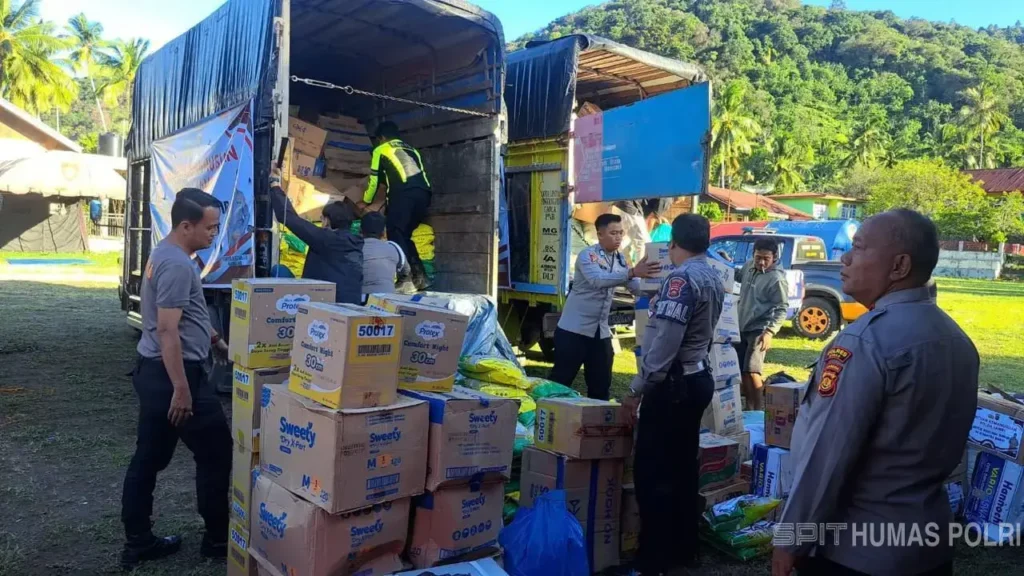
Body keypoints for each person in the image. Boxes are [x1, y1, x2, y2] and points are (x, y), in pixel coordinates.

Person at [772, 210, 979, 576]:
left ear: (898, 266)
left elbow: (827, 453)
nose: (845, 258)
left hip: (856, 552)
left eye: (859, 247)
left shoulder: (864, 340)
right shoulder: (955, 338)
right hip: (927, 544)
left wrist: (791, 539)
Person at [120, 188, 232, 570]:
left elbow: (188, 313)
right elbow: (168, 330)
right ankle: (218, 540)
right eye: (210, 228)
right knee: (216, 453)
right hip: (175, 378)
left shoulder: (171, 254)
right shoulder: (178, 264)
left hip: (157, 373)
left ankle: (139, 542)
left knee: (149, 458)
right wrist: (182, 389)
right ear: (187, 225)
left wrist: (215, 340)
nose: (214, 234)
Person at [624, 213, 724, 575]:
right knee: (683, 467)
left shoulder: (680, 279)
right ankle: (685, 548)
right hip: (697, 378)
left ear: (673, 243)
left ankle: (653, 559)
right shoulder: (713, 275)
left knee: (652, 471)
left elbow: (665, 343)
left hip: (673, 386)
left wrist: (637, 390)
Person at [549, 213, 660, 400]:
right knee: (560, 382)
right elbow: (597, 280)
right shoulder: (587, 256)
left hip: (600, 332)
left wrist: (657, 287)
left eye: (621, 233)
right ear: (600, 235)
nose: (619, 237)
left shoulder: (620, 260)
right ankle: (547, 419)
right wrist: (632, 272)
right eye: (613, 233)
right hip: (573, 330)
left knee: (601, 385)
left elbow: (635, 287)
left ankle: (598, 424)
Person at [269, 167, 363, 304]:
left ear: (328, 221)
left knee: (279, 271)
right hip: (351, 303)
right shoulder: (357, 241)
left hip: (325, 304)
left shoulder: (326, 239)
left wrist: (275, 185)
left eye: (323, 218)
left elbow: (289, 218)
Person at [358, 121, 432, 290]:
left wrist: (367, 200)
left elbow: (374, 179)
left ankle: (405, 279)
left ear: (382, 138)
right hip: (424, 195)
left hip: (403, 195)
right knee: (404, 235)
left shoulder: (380, 150)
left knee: (394, 232)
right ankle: (420, 277)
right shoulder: (412, 150)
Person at [734, 237, 788, 410]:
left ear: (775, 258)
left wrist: (770, 332)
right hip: (742, 325)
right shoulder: (749, 265)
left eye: (766, 258)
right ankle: (749, 406)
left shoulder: (776, 279)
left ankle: (758, 408)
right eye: (758, 257)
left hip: (760, 328)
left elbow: (782, 308)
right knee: (742, 371)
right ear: (753, 254)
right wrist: (723, 263)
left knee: (752, 369)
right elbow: (738, 276)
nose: (761, 262)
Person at [360, 211, 411, 302]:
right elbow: (406, 271)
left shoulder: (353, 248)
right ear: (384, 231)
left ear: (360, 231)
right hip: (387, 301)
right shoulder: (394, 247)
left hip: (359, 300)